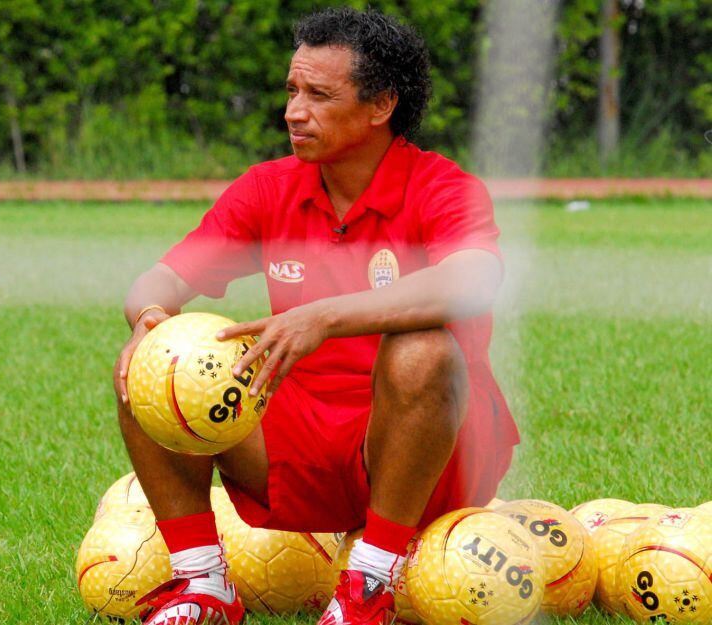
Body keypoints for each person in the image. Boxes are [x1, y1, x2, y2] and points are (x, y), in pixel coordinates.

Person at [113, 7, 518, 625]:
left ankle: (370, 586)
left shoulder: (442, 187)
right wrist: (148, 318)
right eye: (292, 90)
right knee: (156, 367)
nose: (293, 112)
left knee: (424, 349)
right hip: (299, 446)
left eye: (319, 95)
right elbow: (161, 279)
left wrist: (325, 317)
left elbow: (471, 281)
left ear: (381, 105)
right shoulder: (268, 187)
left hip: (429, 452)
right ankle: (204, 587)